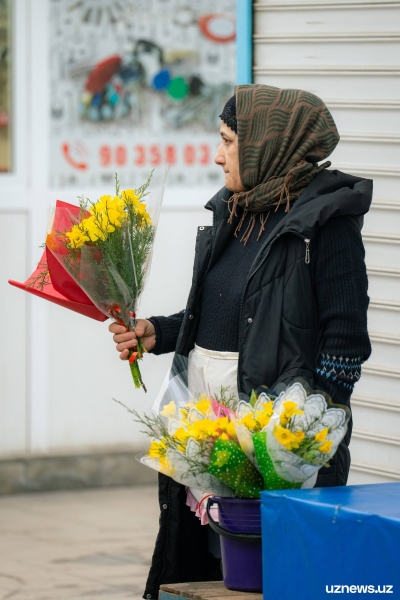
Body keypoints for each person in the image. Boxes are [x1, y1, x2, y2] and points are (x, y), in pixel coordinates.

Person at [110, 84, 372, 599]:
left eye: (228, 141)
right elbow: (225, 312)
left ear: (264, 146)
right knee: (213, 572)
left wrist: (299, 441)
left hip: (279, 448)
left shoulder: (325, 225)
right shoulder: (236, 211)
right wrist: (159, 332)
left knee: (276, 578)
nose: (216, 154)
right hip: (212, 436)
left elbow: (345, 343)